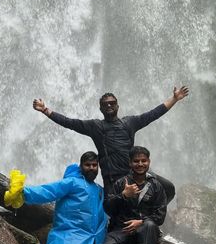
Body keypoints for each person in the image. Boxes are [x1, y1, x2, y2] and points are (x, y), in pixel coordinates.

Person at [32, 85, 188, 198]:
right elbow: (69, 122)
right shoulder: (95, 126)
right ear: (100, 109)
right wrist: (46, 110)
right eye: (105, 104)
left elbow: (153, 114)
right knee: (114, 209)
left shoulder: (129, 123)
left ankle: (151, 213)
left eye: (112, 103)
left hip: (135, 173)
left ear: (118, 106)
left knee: (168, 188)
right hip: (113, 180)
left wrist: (174, 99)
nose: (109, 105)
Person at [4, 151, 107, 244]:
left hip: (92, 240)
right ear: (80, 166)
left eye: (94, 165)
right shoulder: (72, 183)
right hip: (72, 237)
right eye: (87, 165)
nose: (91, 168)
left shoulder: (98, 189)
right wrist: (24, 193)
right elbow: (49, 191)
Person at [83, 146, 167, 244]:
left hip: (145, 231)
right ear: (130, 163)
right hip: (121, 230)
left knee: (149, 226)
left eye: (143, 161)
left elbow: (160, 214)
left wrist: (141, 221)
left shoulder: (156, 186)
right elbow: (108, 208)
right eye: (136, 161)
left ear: (148, 162)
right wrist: (123, 196)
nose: (140, 164)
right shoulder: (121, 183)